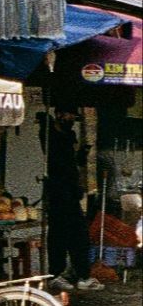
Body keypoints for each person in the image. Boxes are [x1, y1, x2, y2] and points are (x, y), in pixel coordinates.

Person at [45, 109, 102, 292]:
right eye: (68, 114)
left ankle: (81, 274)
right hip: (58, 192)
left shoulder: (69, 135)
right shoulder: (50, 135)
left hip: (70, 191)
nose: (71, 118)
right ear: (59, 114)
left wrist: (81, 155)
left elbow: (74, 163)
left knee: (79, 235)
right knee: (60, 235)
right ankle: (57, 274)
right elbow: (58, 163)